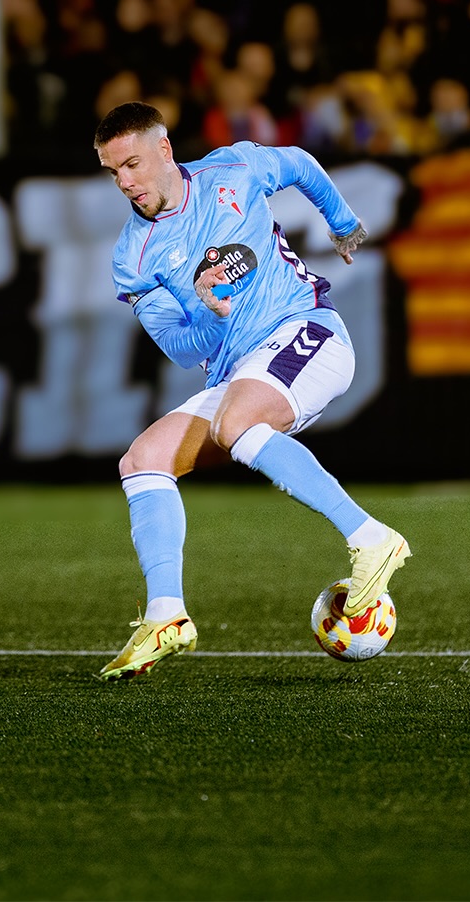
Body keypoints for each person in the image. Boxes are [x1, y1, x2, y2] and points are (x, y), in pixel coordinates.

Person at [93, 100, 411, 680]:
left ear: (165, 150)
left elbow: (298, 165)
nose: (127, 183)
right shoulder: (132, 257)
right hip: (238, 369)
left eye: (133, 164)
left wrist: (341, 222)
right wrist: (212, 314)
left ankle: (372, 537)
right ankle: (167, 614)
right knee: (143, 459)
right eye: (114, 172)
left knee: (236, 422)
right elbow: (181, 348)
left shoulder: (232, 171)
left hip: (307, 331)